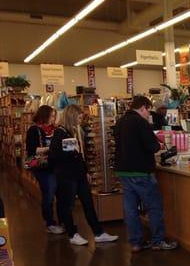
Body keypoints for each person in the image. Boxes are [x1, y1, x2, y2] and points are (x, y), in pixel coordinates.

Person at [114, 96, 177, 253]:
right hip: (141, 171)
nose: (149, 114)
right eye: (148, 110)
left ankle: (135, 242)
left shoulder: (121, 121)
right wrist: (159, 145)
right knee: (153, 206)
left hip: (123, 171)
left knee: (130, 208)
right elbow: (152, 146)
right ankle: (158, 240)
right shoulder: (141, 123)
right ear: (142, 107)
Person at [49, 105, 118, 246]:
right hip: (67, 176)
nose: (80, 120)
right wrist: (70, 152)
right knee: (67, 205)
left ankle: (98, 233)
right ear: (72, 116)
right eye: (79, 117)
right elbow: (54, 156)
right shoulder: (60, 133)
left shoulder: (74, 131)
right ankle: (72, 234)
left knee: (88, 203)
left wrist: (85, 171)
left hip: (78, 174)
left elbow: (80, 155)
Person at [25, 105, 64, 234]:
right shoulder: (34, 130)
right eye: (51, 116)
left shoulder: (55, 130)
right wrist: (51, 148)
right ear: (44, 115)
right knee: (48, 195)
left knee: (60, 194)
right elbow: (33, 150)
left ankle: (62, 220)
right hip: (42, 168)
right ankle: (50, 223)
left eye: (54, 116)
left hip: (55, 167)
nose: (53, 118)